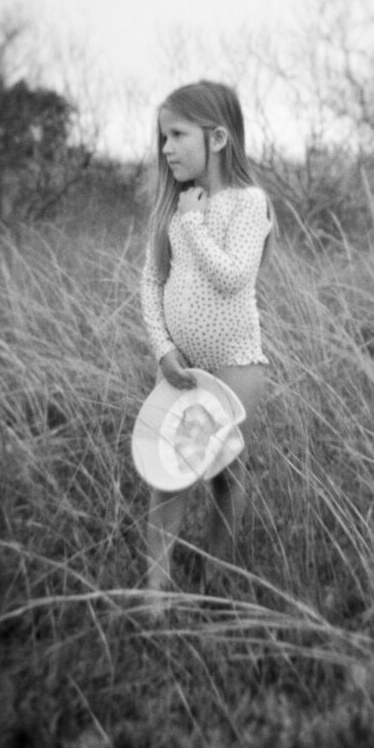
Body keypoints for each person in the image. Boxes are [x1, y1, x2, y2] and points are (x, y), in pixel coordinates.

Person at [140, 80, 275, 611]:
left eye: (177, 134)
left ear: (217, 138)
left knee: (223, 472)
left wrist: (194, 222)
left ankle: (218, 585)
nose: (166, 148)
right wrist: (162, 348)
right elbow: (151, 281)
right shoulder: (174, 205)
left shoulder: (248, 203)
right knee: (166, 473)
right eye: (162, 137)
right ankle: (155, 591)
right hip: (180, 366)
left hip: (235, 364)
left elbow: (234, 277)